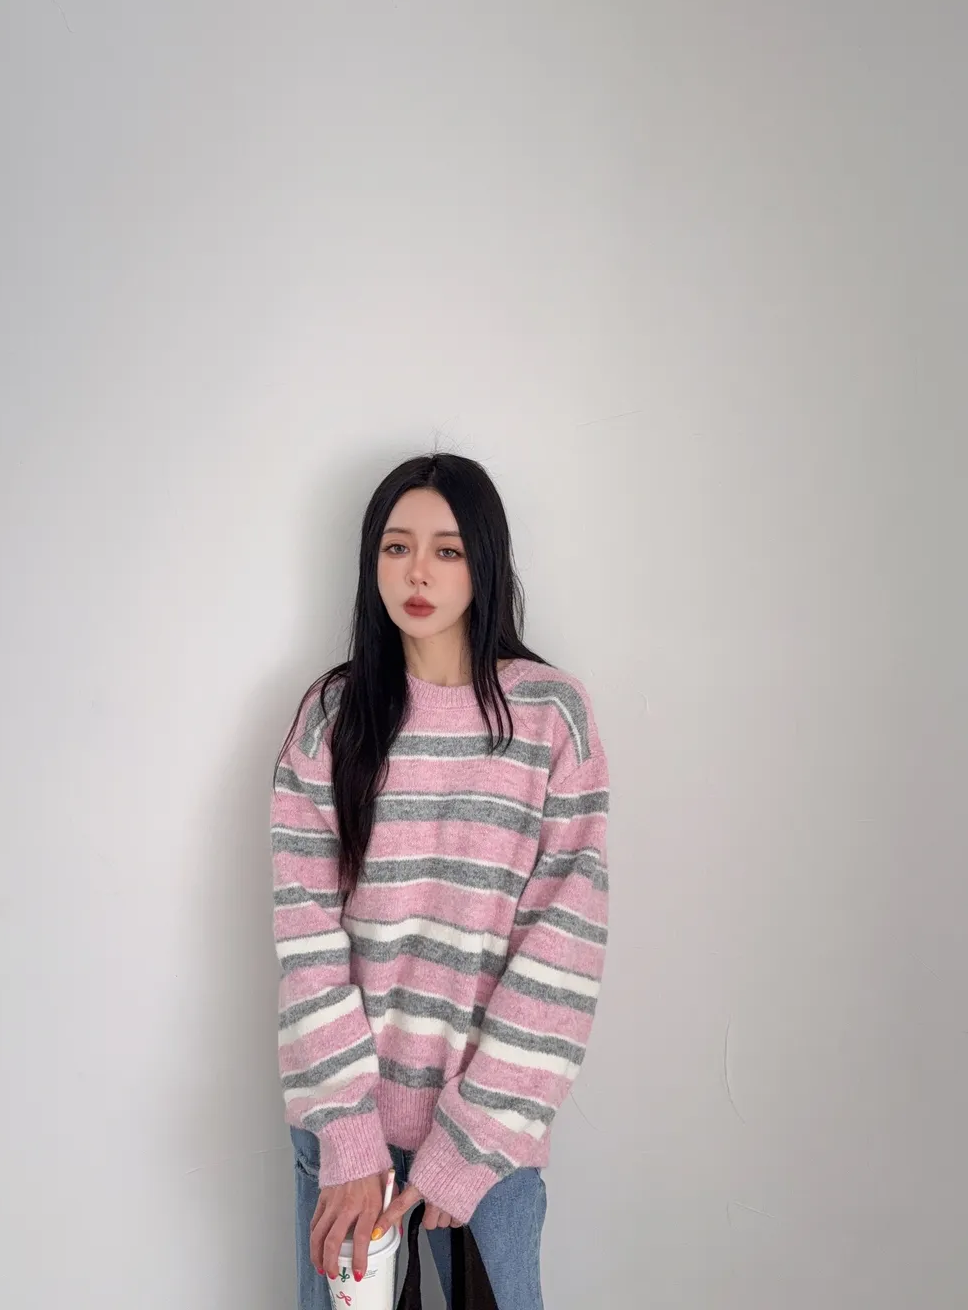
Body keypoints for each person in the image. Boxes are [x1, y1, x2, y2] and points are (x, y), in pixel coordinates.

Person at [271, 453, 610, 1309]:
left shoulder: (550, 718)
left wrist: (470, 1145)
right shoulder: (332, 720)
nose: (417, 572)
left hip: (489, 1148)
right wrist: (351, 1142)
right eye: (397, 547)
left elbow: (563, 950)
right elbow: (307, 942)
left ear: (484, 561)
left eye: (447, 550)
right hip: (347, 1146)